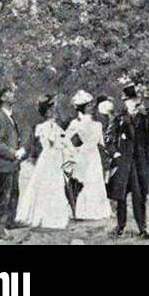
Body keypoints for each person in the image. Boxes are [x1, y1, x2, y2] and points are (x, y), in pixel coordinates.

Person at [105, 83, 149, 239]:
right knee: (121, 197)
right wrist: (115, 155)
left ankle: (142, 229)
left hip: (140, 162)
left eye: (136, 100)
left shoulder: (144, 118)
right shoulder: (119, 118)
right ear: (125, 102)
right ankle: (120, 226)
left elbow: (148, 139)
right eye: (131, 100)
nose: (134, 103)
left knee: (140, 195)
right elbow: (108, 139)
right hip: (123, 163)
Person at [16, 95, 71, 230]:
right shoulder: (44, 127)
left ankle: (55, 216)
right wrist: (61, 142)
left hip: (55, 157)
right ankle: (46, 217)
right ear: (47, 112)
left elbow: (63, 140)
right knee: (47, 185)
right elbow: (52, 142)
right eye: (53, 108)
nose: (56, 111)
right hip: (49, 158)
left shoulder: (56, 126)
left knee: (56, 185)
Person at [64, 90, 111, 221]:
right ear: (82, 107)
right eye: (89, 105)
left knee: (95, 180)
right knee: (85, 181)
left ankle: (97, 210)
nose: (92, 107)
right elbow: (66, 139)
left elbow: (102, 142)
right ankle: (82, 211)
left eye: (92, 105)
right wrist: (74, 151)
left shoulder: (98, 124)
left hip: (94, 156)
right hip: (83, 155)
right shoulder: (76, 123)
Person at [0, 86, 26, 240]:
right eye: (9, 93)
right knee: (4, 195)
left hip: (12, 162)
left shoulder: (8, 115)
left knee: (14, 192)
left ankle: (10, 221)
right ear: (2, 98)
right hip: (4, 163)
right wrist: (14, 153)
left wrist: (19, 150)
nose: (13, 95)